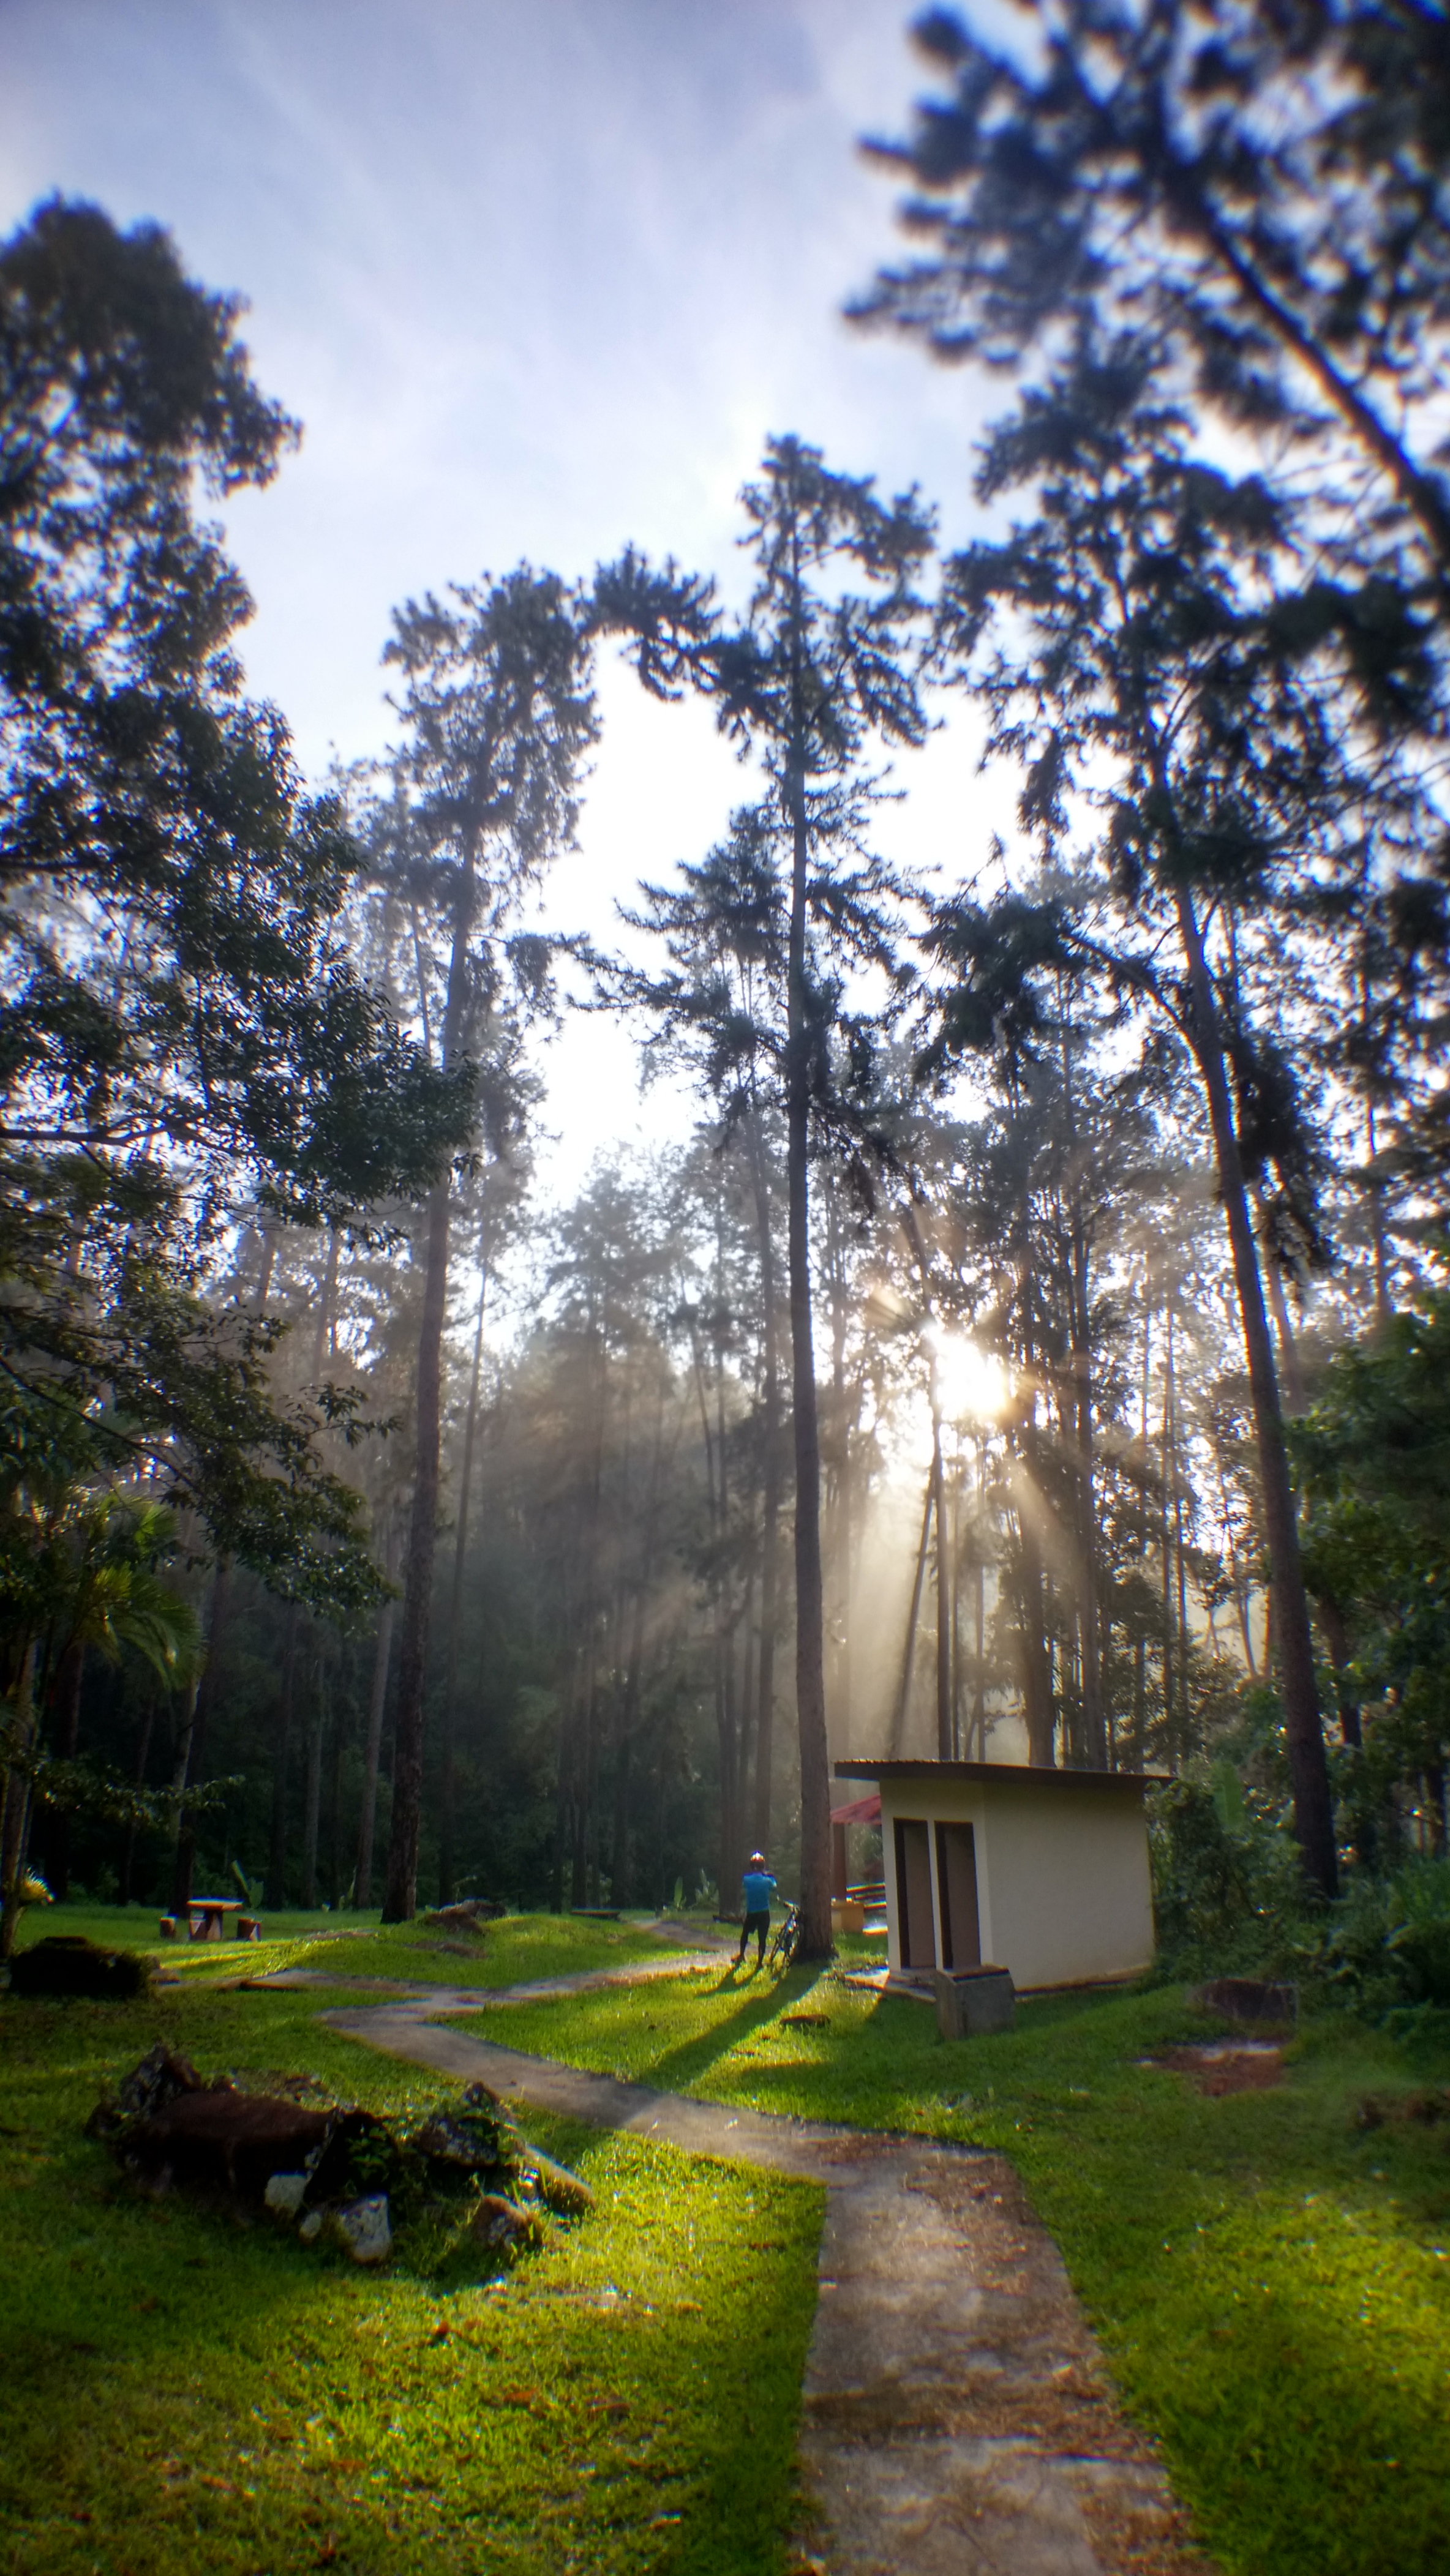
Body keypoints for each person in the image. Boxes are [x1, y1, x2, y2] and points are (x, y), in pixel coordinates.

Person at [735, 1851, 778, 1968]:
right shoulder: (768, 1880)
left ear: (752, 1866)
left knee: (745, 1934)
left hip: (751, 1913)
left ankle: (742, 1955)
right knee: (762, 1938)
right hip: (764, 1913)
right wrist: (768, 1876)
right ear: (763, 1866)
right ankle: (760, 1962)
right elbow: (774, 1887)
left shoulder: (746, 1879)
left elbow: (744, 1886)